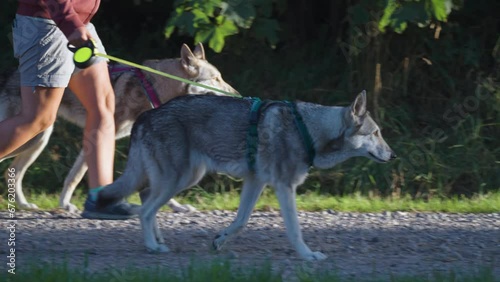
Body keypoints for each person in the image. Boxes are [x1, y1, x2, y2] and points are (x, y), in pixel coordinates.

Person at [2, 0, 137, 219]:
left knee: (103, 105)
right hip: (46, 23)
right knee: (37, 118)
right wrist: (71, 25)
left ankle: (102, 198)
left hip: (79, 24)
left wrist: (75, 25)